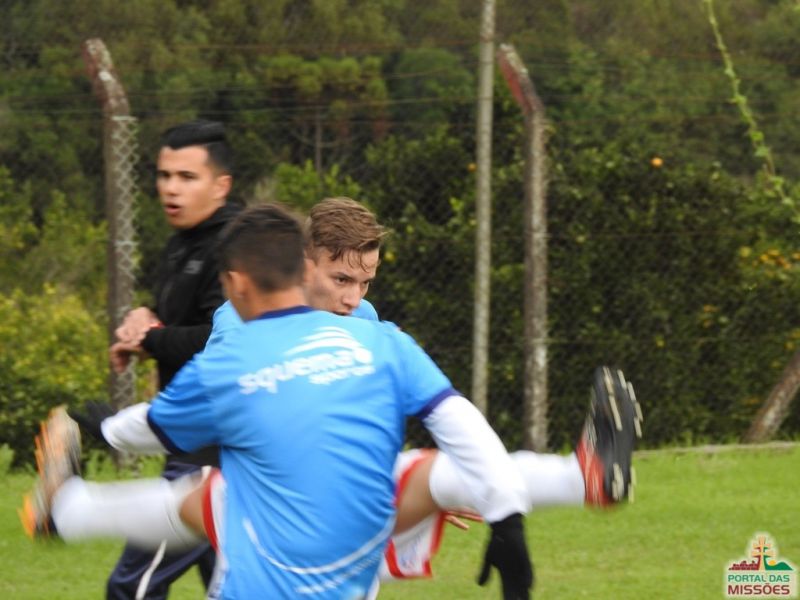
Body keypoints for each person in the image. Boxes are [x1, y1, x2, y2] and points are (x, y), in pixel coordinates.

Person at [23, 197, 641, 595]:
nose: (352, 297)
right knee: (197, 502)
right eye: (341, 278)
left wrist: (470, 496)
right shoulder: (243, 327)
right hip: (268, 489)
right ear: (301, 264)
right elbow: (199, 414)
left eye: (365, 282)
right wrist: (110, 425)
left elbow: (409, 417)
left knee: (434, 472)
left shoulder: (368, 326)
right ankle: (67, 510)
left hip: (317, 503)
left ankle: (584, 475)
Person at [106, 119, 241, 600]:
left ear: (221, 185)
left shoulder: (236, 248)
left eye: (187, 177)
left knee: (131, 588)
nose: (171, 188)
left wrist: (151, 340)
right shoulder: (184, 242)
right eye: (164, 175)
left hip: (210, 452)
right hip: (194, 445)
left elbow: (221, 342)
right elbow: (178, 318)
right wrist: (145, 317)